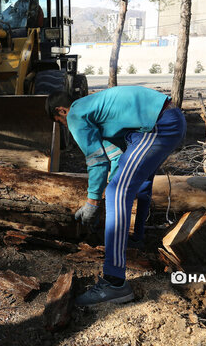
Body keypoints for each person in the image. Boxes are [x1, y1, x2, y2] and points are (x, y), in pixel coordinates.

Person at [46, 86, 186, 306]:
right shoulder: (95, 108)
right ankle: (135, 240)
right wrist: (114, 178)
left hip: (156, 127)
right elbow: (112, 155)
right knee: (139, 184)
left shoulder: (75, 113)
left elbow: (95, 160)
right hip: (168, 119)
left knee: (116, 193)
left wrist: (92, 202)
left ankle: (114, 283)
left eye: (61, 123)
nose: (66, 127)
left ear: (61, 111)